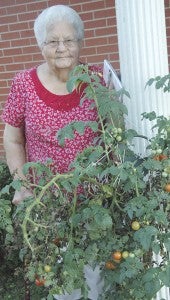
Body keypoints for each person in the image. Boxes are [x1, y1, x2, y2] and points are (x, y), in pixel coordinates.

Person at [2, 5, 105, 300]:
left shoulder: (97, 79)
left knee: (96, 278)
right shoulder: (23, 84)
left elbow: (113, 131)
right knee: (63, 282)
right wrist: (21, 183)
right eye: (53, 41)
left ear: (81, 42)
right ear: (40, 45)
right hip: (48, 202)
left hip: (94, 200)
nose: (62, 48)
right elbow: (13, 140)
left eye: (70, 40)